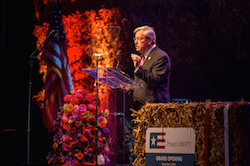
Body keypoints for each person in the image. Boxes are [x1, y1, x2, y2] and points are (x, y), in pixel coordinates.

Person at [131, 25, 171, 110]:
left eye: (139, 39)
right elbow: (142, 84)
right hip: (139, 107)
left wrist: (138, 68)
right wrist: (129, 89)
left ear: (149, 40)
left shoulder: (160, 57)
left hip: (154, 109)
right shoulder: (142, 57)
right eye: (135, 39)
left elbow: (155, 80)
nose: (136, 42)